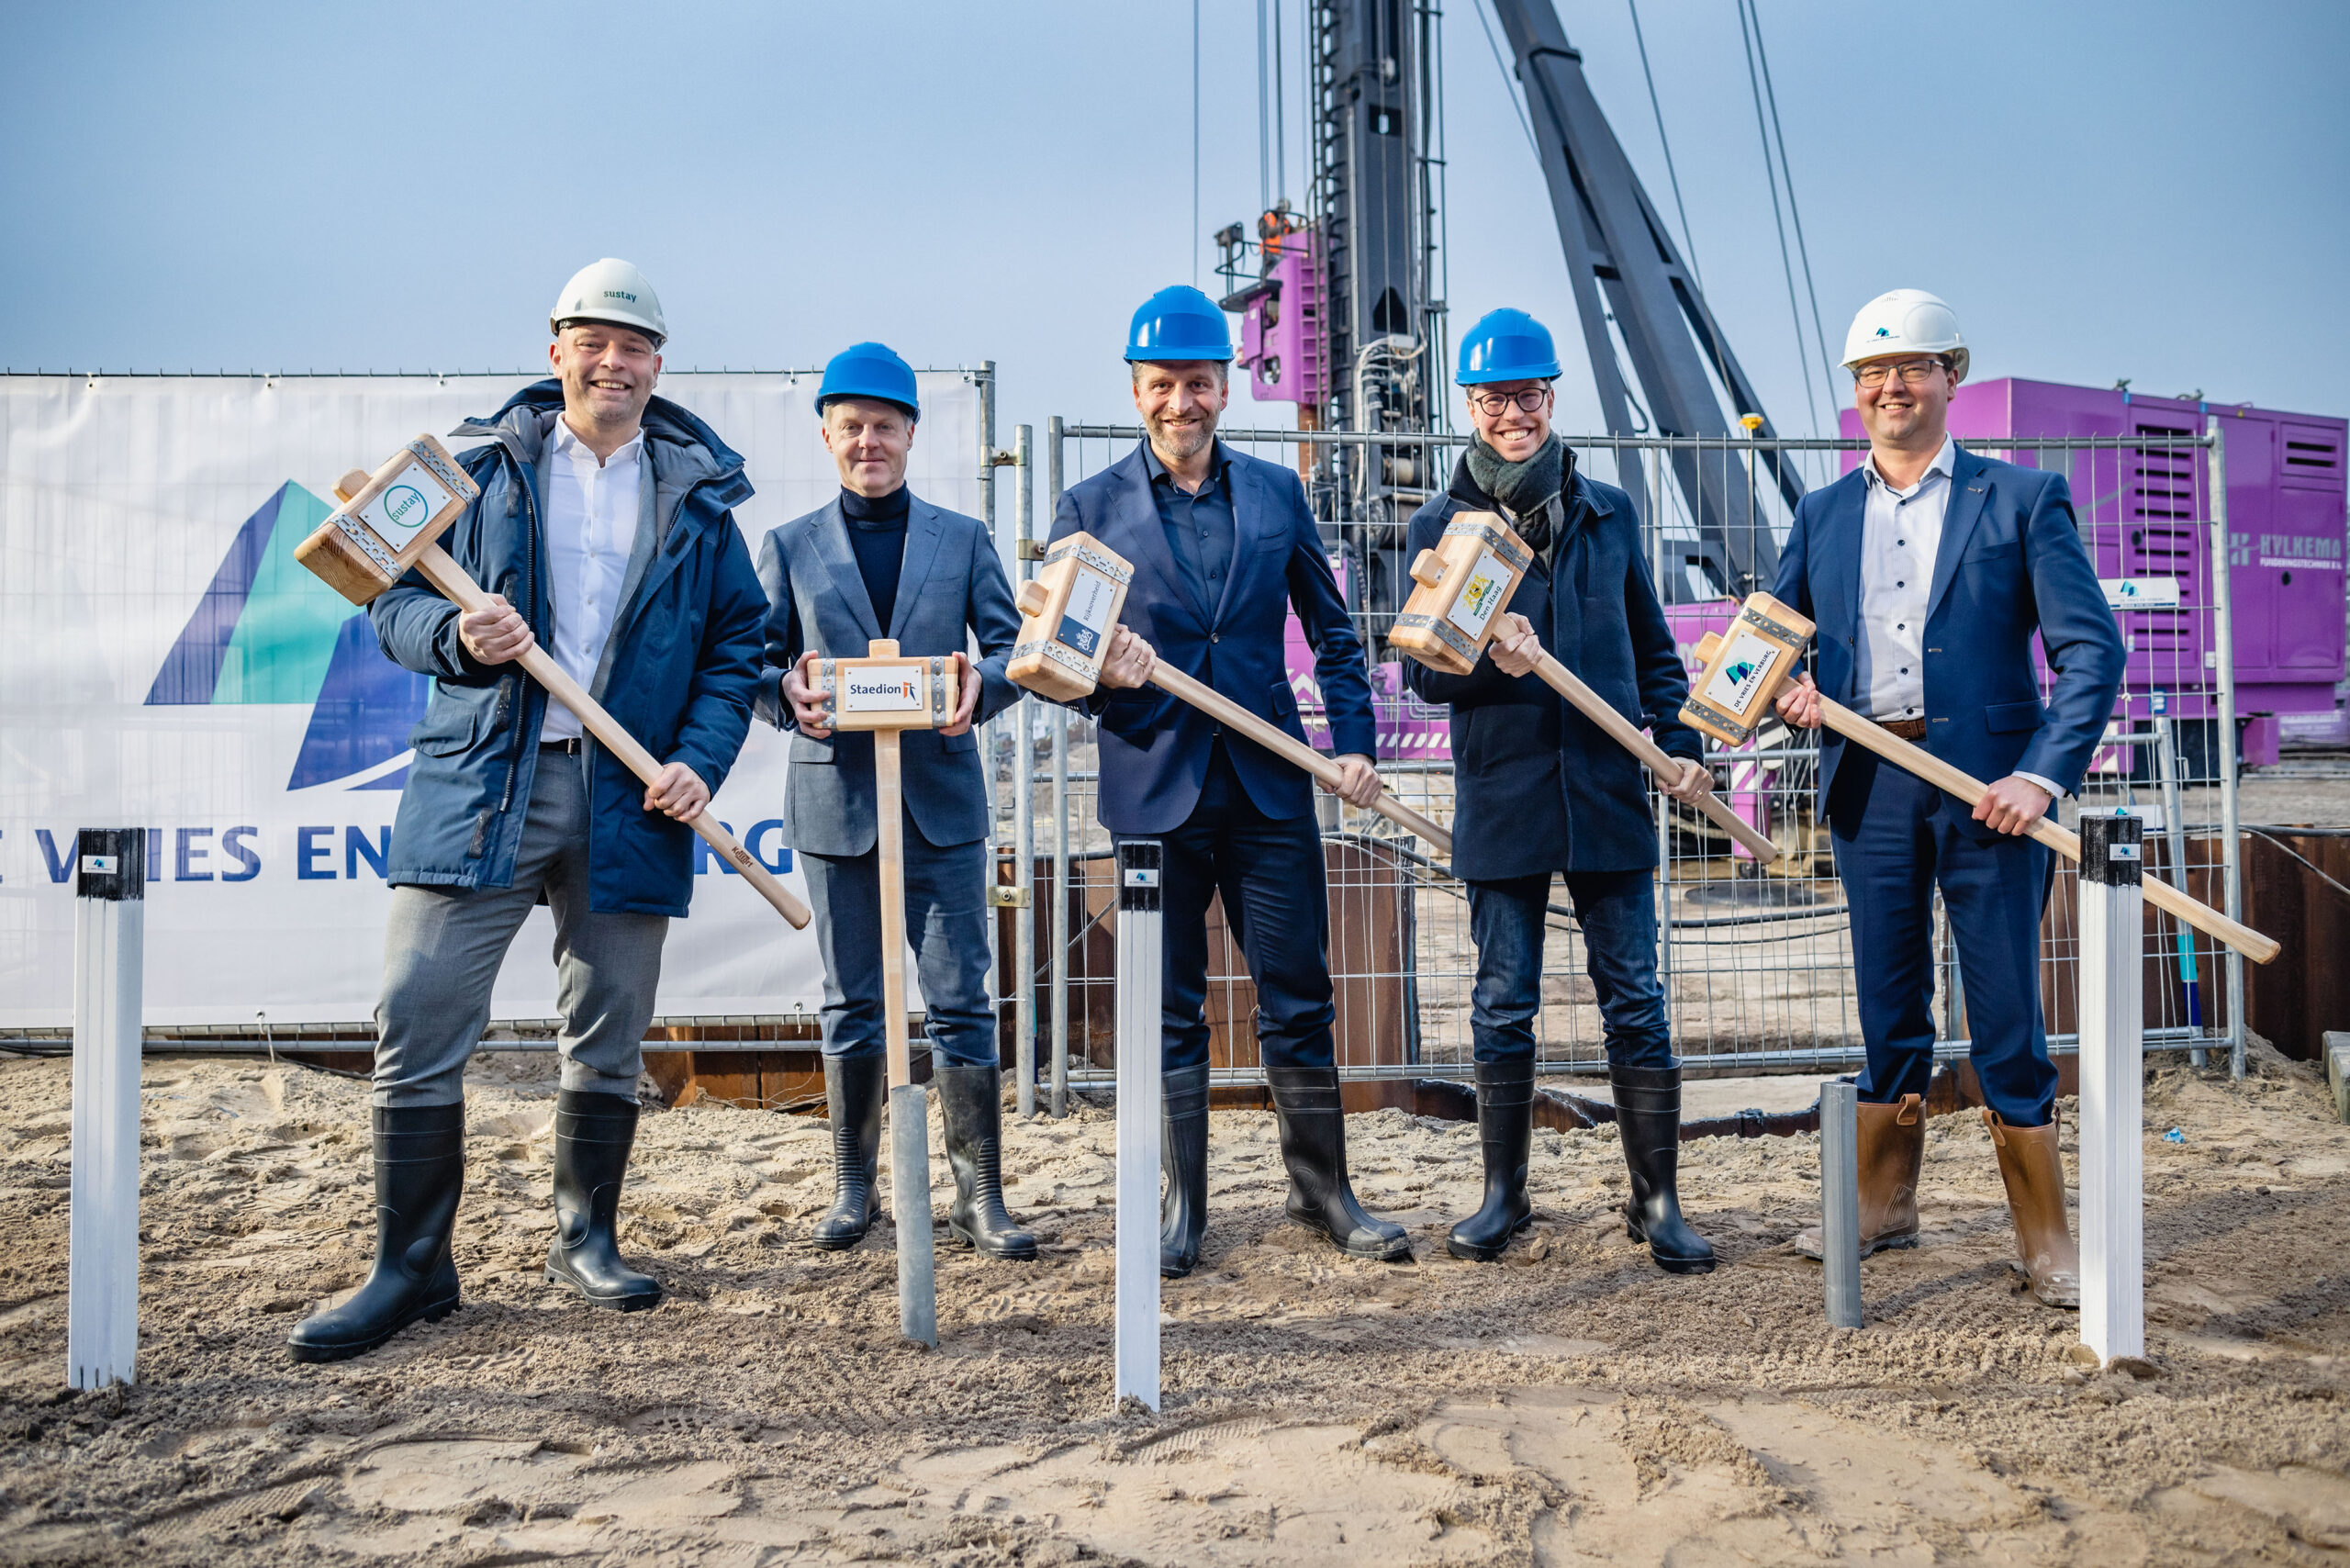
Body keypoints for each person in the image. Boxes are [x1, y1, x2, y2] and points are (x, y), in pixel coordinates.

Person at [290, 260, 769, 1361]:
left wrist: (697, 760)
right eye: (591, 341)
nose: (613, 362)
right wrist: (458, 636)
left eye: (633, 345)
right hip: (483, 783)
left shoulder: (698, 502)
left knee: (609, 1024)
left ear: (659, 364)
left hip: (631, 794)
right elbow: (391, 608)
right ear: (556, 350)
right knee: (418, 1009)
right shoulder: (474, 472)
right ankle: (412, 1266)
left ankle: (585, 1238)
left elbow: (735, 643)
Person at [1773, 290, 2124, 1309]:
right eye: (1872, 374)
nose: (1891, 387)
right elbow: (1773, 638)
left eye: (1912, 368)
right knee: (1889, 1005)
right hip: (1871, 784)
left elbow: (2091, 652)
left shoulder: (2021, 498)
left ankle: (2045, 1237)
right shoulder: (1822, 513)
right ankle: (1882, 1206)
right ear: (1855, 392)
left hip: (1989, 796)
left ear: (1950, 377)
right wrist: (1784, 689)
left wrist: (2040, 774)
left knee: (2007, 1011)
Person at [1052, 285, 1406, 1278]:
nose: (1183, 403)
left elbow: (1335, 635)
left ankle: (1322, 1190)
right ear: (1136, 389)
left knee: (1298, 993)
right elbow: (1053, 661)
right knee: (1169, 1006)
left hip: (1267, 788)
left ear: (1225, 387)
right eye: (1163, 385)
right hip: (1153, 788)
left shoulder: (1277, 495)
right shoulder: (1089, 510)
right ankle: (1183, 1208)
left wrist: (1355, 744)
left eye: (1200, 383)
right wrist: (1103, 677)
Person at [1398, 308, 1720, 1273]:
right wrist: (1488, 659)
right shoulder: (1442, 527)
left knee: (1637, 998)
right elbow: (1419, 676)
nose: (1514, 415)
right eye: (1495, 399)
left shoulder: (1608, 513)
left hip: (1608, 790)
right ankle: (1504, 1195)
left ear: (1551, 397)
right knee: (1503, 1000)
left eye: (1529, 396)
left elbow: (1654, 653)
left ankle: (1656, 1199)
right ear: (1469, 405)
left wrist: (1681, 745)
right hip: (1504, 796)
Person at [754, 342, 1033, 1260]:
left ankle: (979, 1194)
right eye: (851, 427)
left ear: (912, 432)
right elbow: (752, 662)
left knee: (960, 1000)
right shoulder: (788, 546)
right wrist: (783, 692)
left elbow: (1011, 651)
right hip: (835, 804)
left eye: (884, 425)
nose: (867, 441)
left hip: (939, 805)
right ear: (827, 435)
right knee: (851, 1003)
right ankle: (853, 1187)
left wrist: (981, 685)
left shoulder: (963, 540)